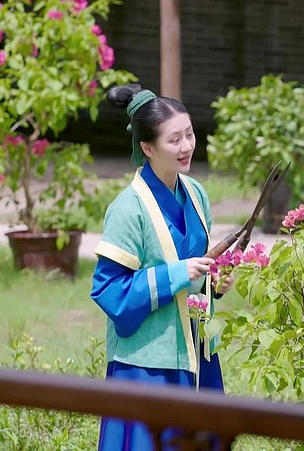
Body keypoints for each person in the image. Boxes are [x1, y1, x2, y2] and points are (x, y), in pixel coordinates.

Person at [91, 84, 233, 450]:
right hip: (147, 364)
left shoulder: (196, 193)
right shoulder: (128, 209)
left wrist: (214, 283)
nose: (186, 146)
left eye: (189, 134)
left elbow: (198, 268)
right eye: (174, 140)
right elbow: (108, 290)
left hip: (198, 351)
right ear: (148, 148)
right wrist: (177, 274)